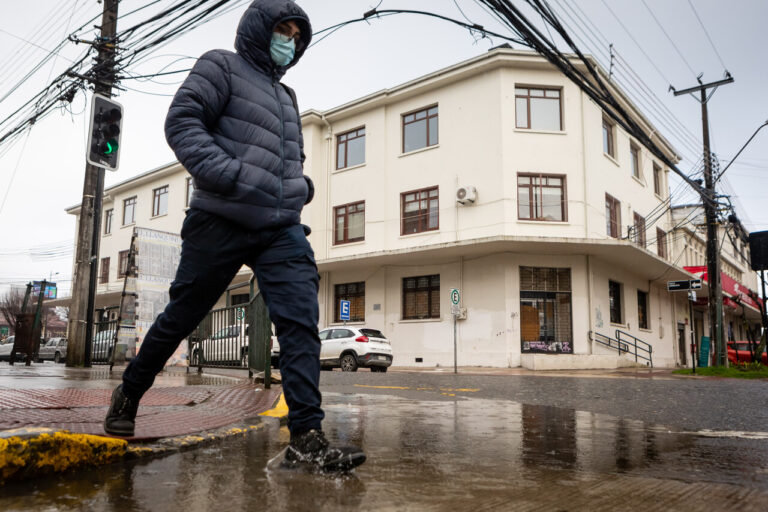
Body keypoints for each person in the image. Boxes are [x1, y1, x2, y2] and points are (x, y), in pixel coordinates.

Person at [103, 0, 366, 473]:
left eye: (296, 34)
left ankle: (306, 435)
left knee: (301, 320)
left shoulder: (287, 98)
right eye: (282, 29)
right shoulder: (220, 65)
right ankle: (131, 390)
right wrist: (230, 176)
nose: (289, 39)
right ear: (258, 29)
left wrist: (301, 189)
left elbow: (291, 161)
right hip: (220, 216)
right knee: (184, 312)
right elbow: (181, 123)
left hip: (279, 227)